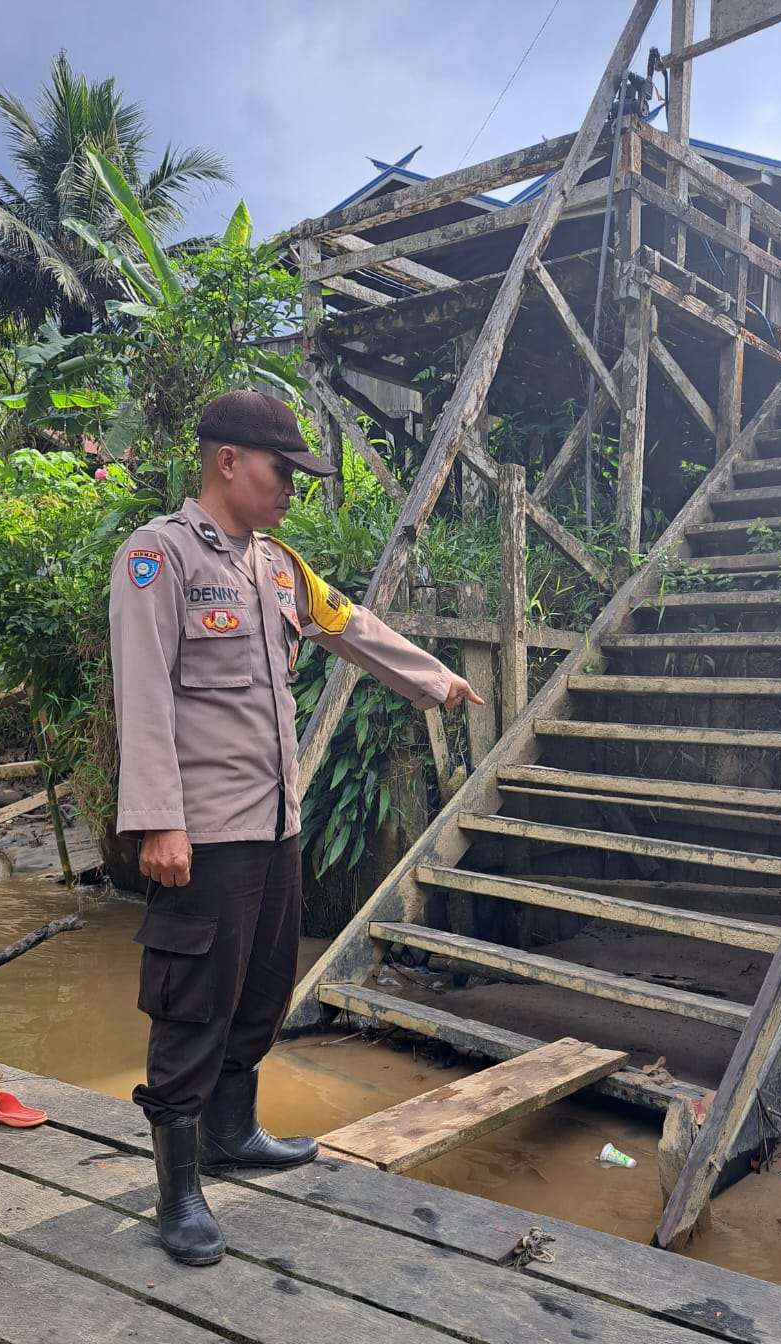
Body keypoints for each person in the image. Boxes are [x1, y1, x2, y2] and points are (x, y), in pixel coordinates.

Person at [109, 389, 482, 1267]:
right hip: (200, 834)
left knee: (264, 986)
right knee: (192, 1001)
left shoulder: (276, 566)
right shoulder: (156, 559)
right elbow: (144, 696)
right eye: (283, 471)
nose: (292, 490)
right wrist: (158, 824)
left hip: (274, 825)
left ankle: (233, 1134)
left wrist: (432, 679)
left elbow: (349, 625)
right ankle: (179, 1189)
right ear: (228, 461)